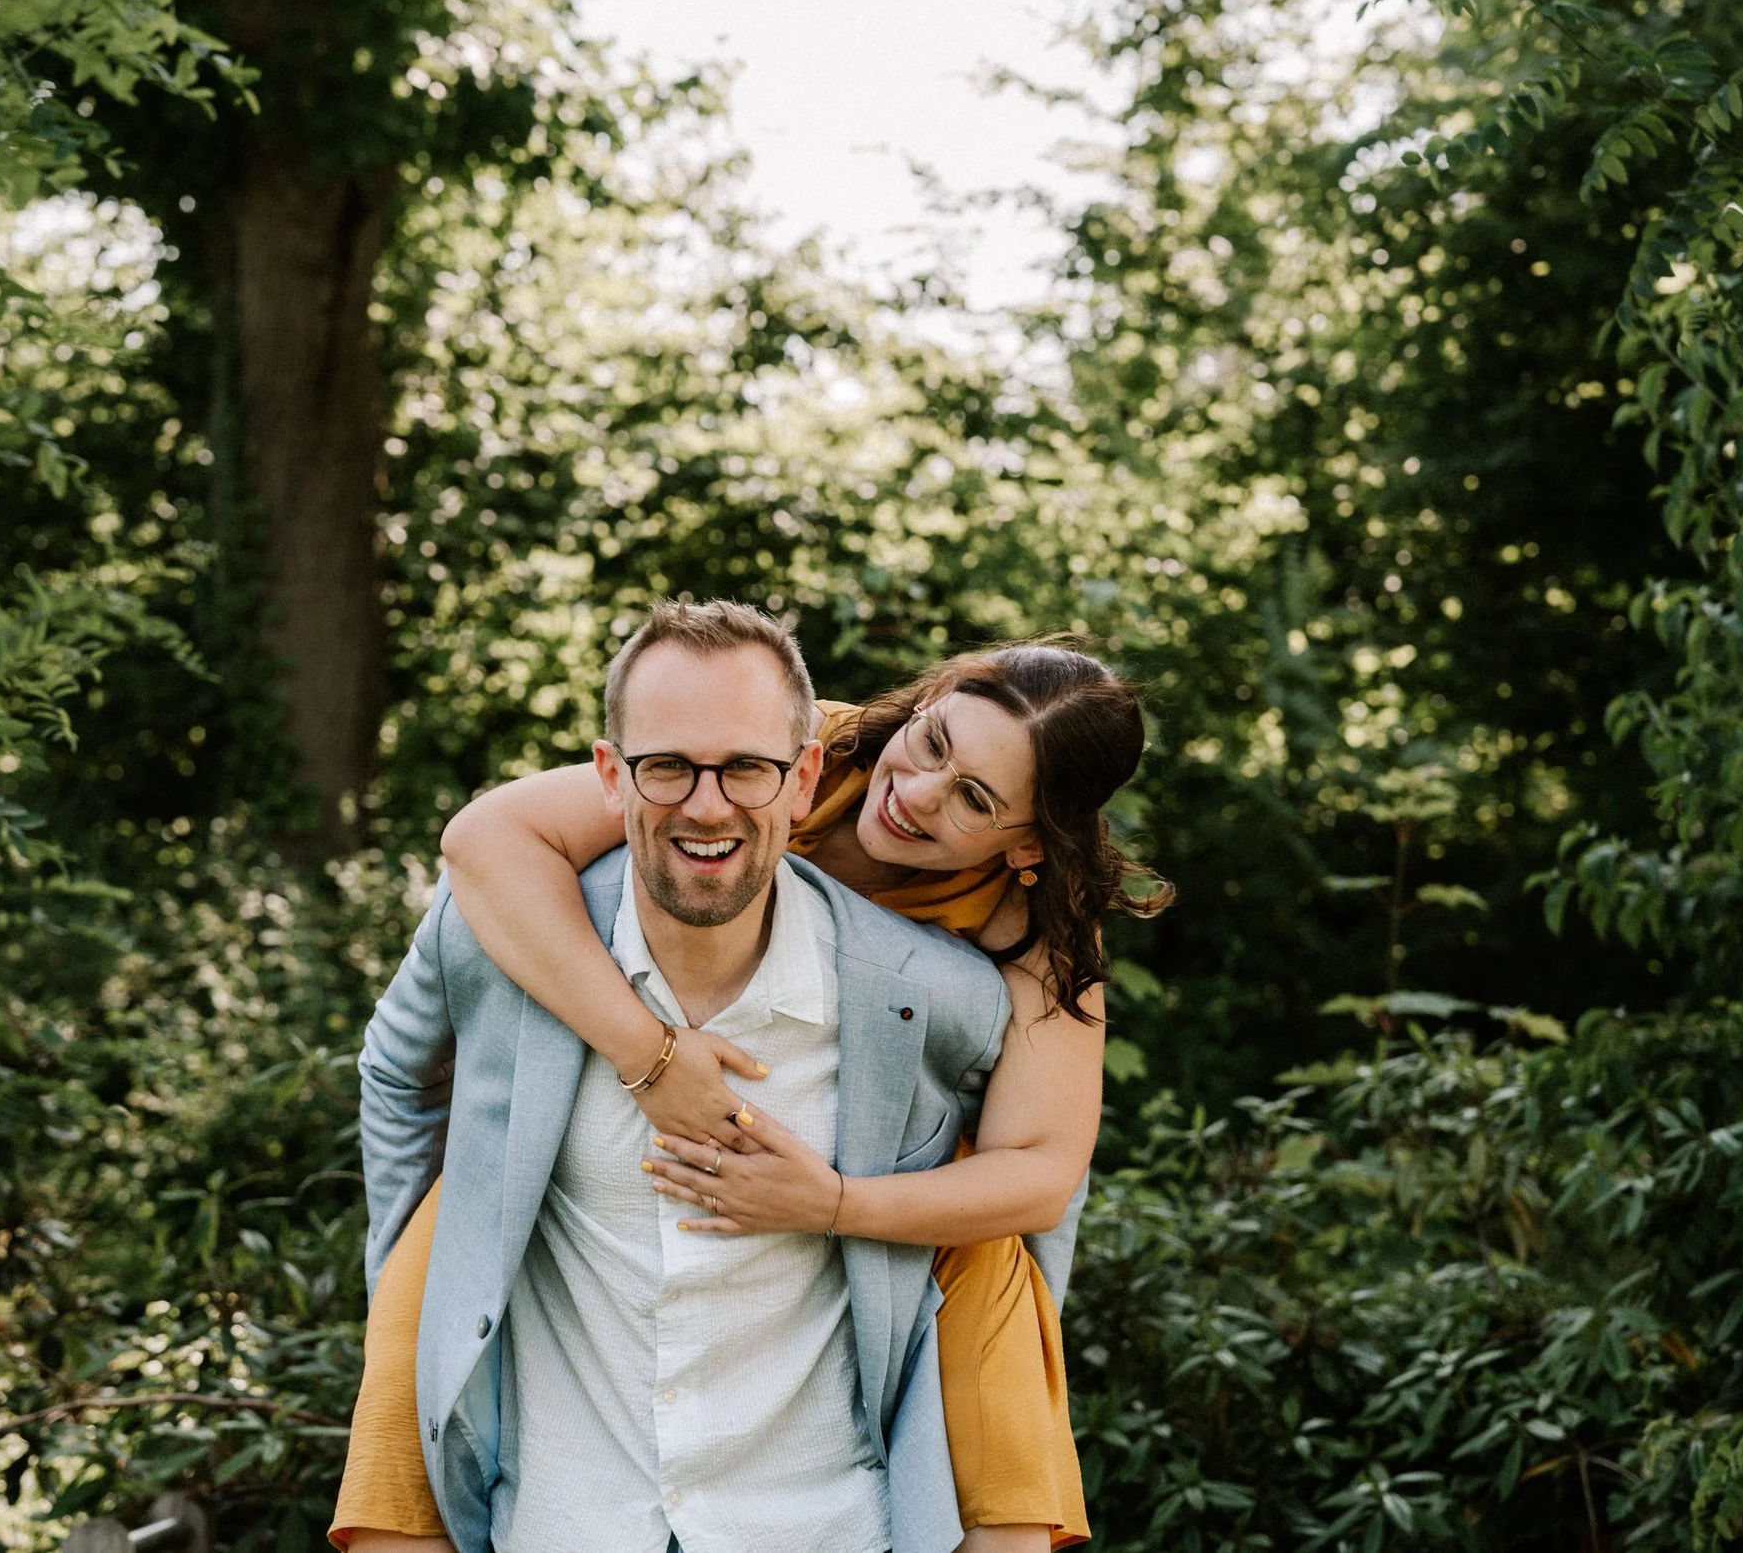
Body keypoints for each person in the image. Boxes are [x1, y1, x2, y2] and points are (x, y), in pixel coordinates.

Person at [337, 612, 1169, 1553]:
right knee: (446, 1264)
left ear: (1026, 843)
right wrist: (648, 1055)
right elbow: (487, 838)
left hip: (885, 1165)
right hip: (641, 1063)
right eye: (932, 744)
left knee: (988, 1274)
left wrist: (835, 1201)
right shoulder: (771, 759)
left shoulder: (1040, 921)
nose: (918, 793)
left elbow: (1043, 1176)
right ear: (927, 703)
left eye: (974, 799)